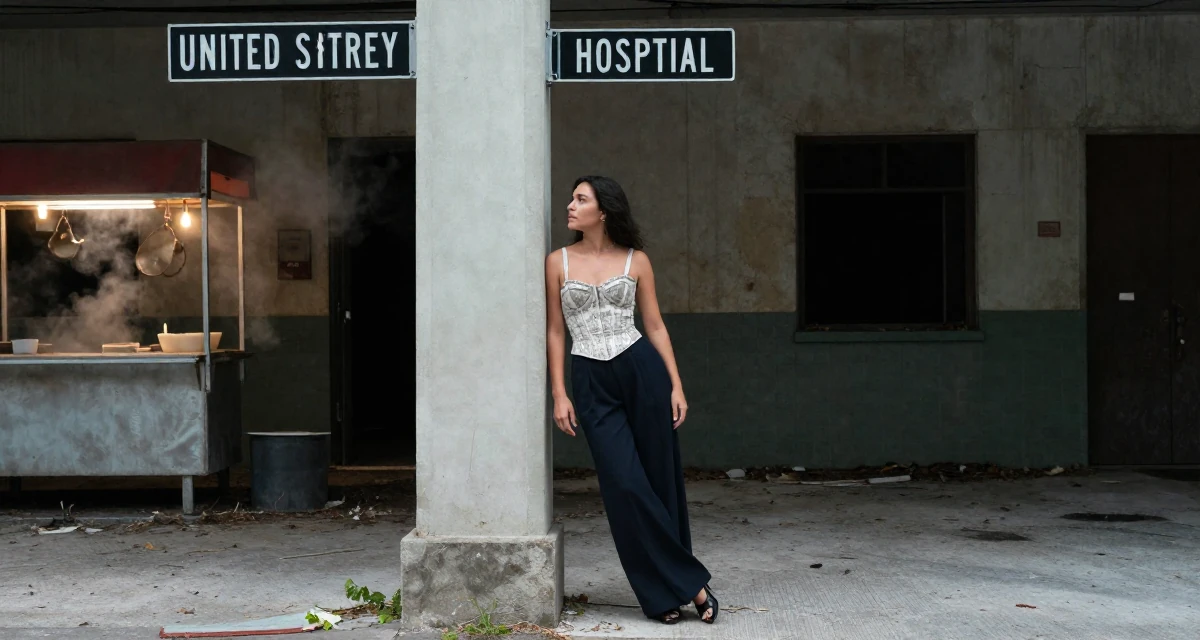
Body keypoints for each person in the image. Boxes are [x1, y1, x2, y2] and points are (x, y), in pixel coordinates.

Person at [544, 175, 718, 625]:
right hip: (590, 379)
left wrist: (676, 384)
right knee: (624, 485)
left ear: (603, 211)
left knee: (660, 481)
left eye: (580, 199)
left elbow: (655, 325)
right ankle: (691, 585)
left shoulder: (636, 260)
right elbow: (556, 331)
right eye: (572, 198)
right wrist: (559, 393)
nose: (570, 205)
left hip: (641, 370)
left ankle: (665, 596)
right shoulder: (557, 261)